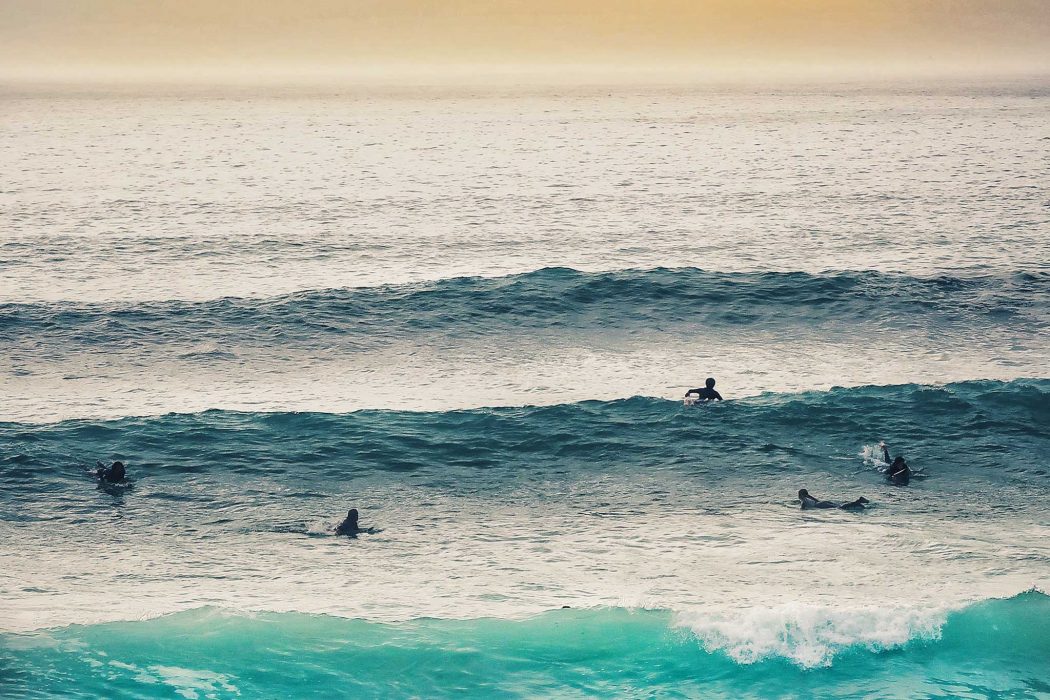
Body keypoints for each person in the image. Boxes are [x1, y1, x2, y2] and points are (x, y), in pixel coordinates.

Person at [798, 489, 869, 511]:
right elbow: (817, 501)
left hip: (821, 505)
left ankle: (858, 501)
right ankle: (858, 502)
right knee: (840, 506)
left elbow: (802, 509)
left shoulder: (803, 500)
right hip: (822, 503)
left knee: (841, 508)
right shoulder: (809, 497)